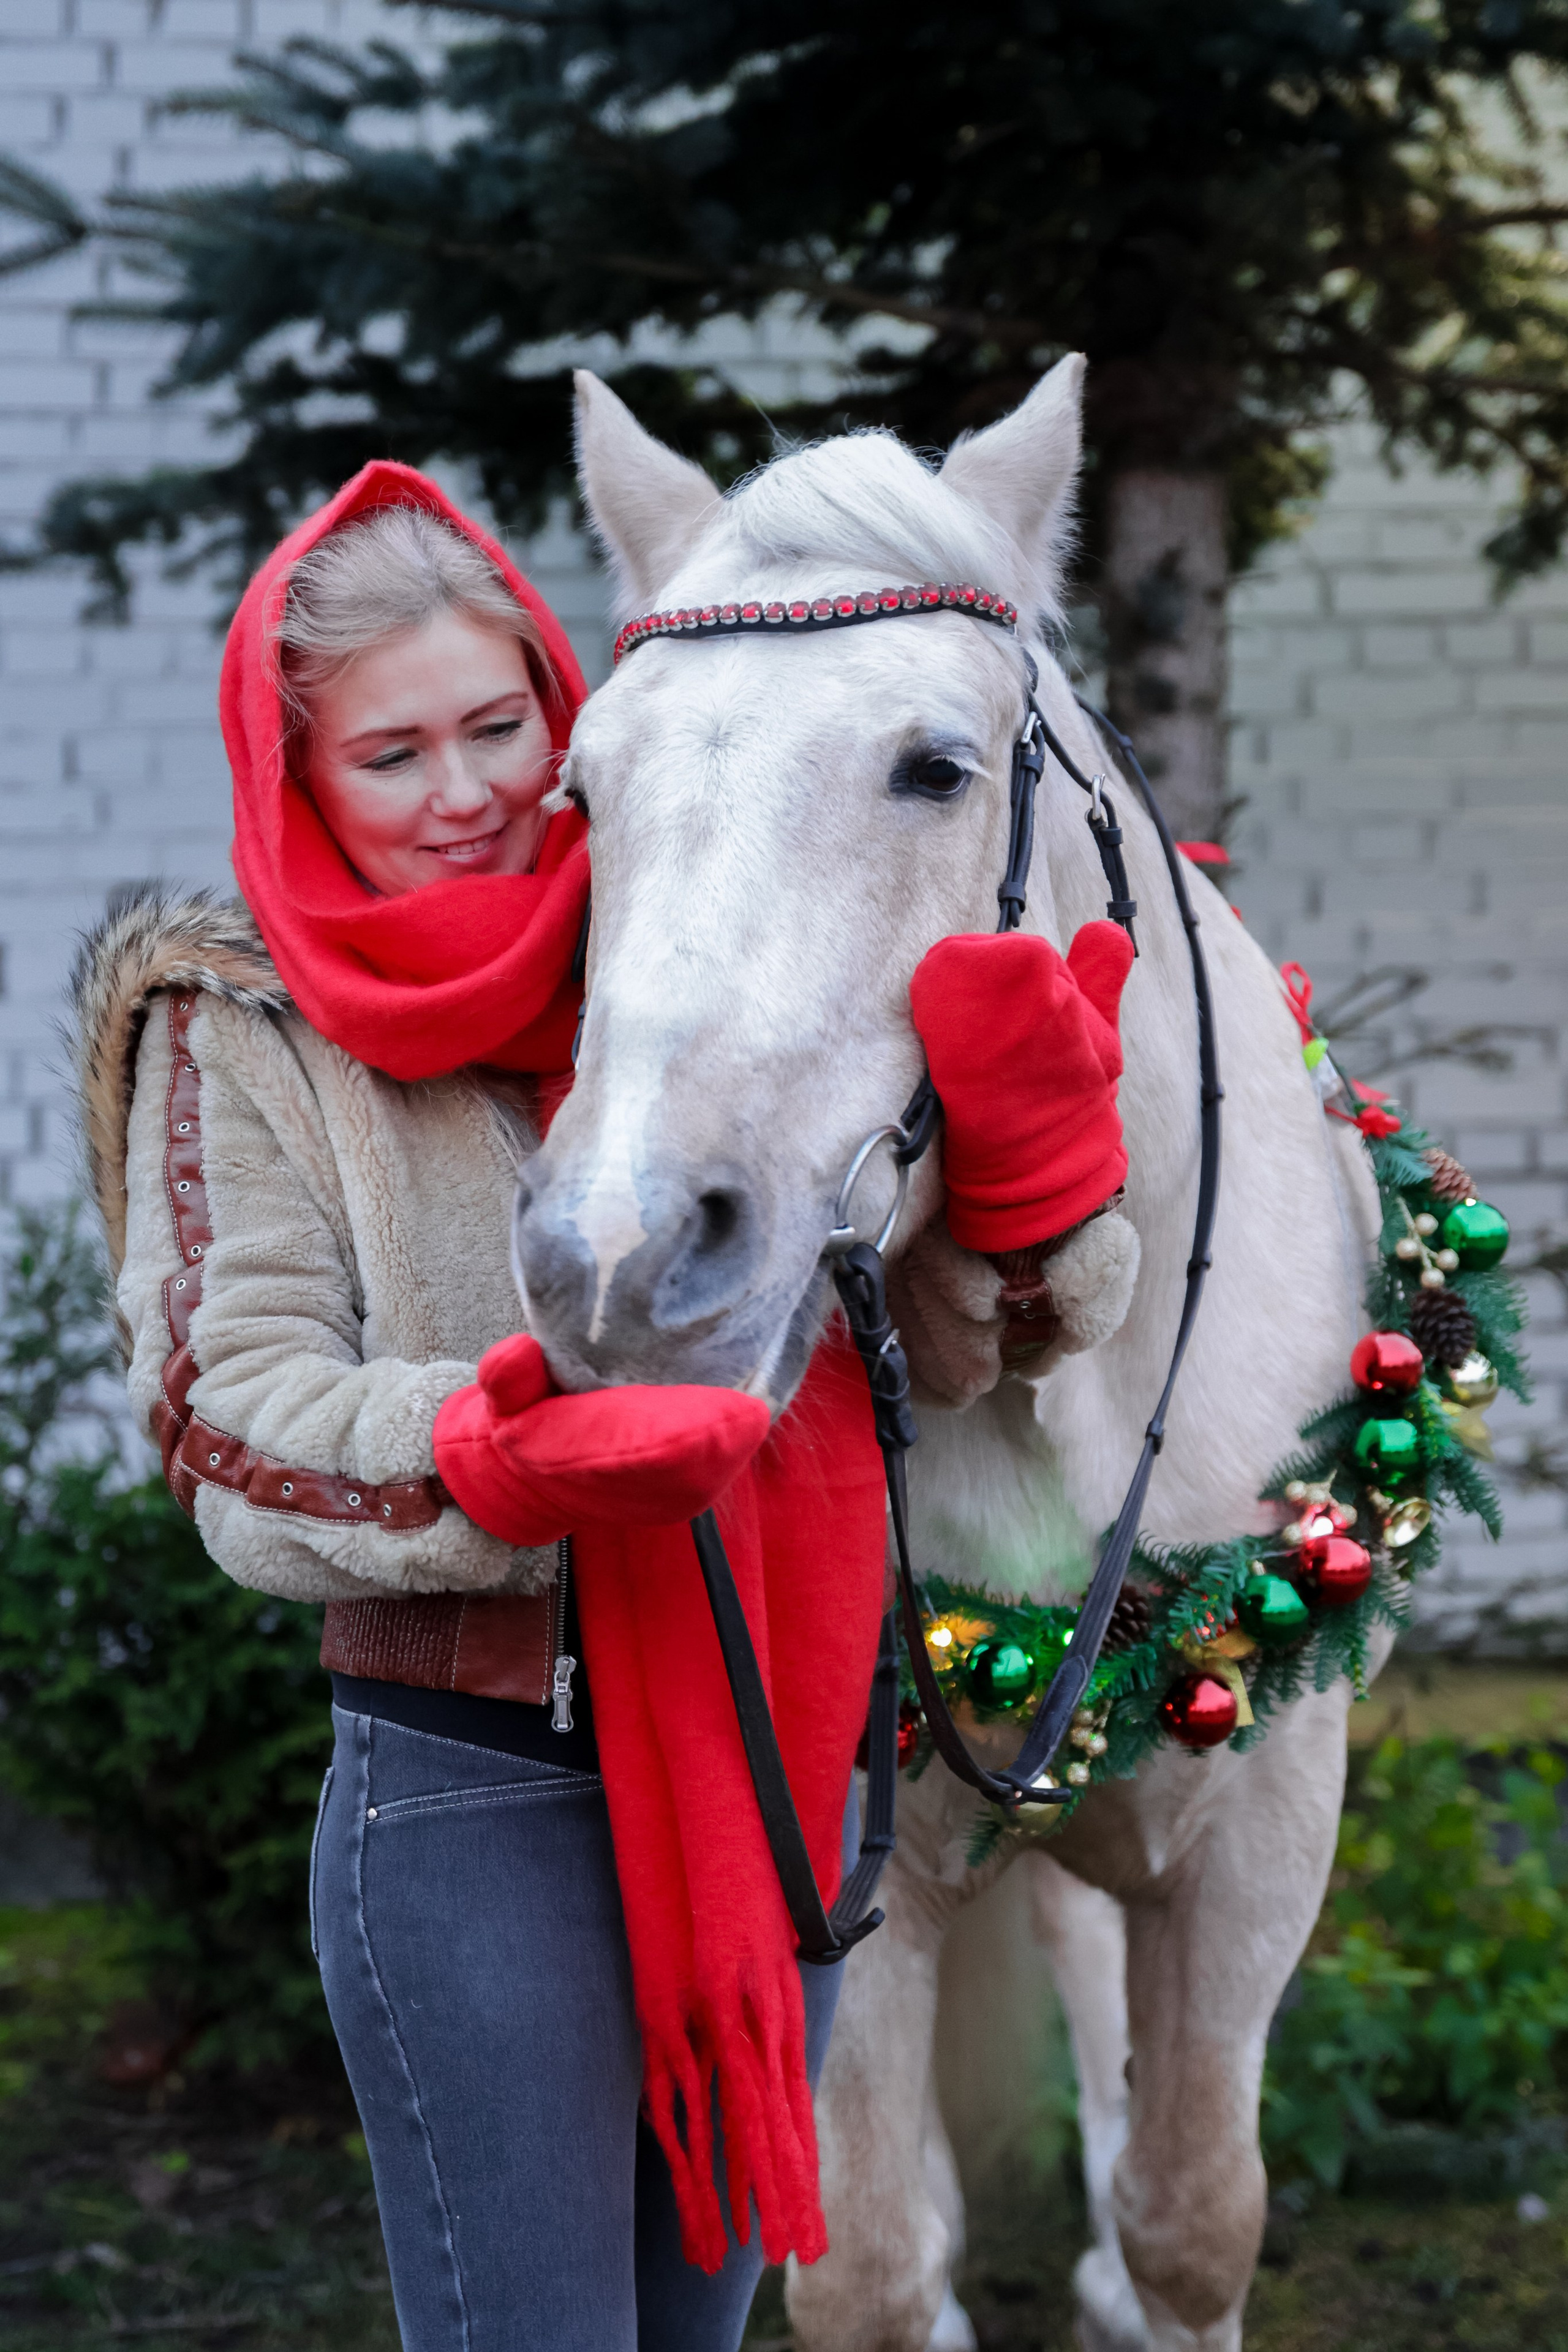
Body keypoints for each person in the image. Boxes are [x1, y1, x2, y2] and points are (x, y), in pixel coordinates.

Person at [71, 459, 1136, 2352]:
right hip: (477, 1792)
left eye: (501, 728)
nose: (468, 791)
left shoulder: (702, 960)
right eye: (391, 755)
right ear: (298, 779)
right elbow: (228, 1422)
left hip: (771, 1763)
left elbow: (944, 1351)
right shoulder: (240, 1034)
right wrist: (497, 1455)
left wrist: (1036, 1198)